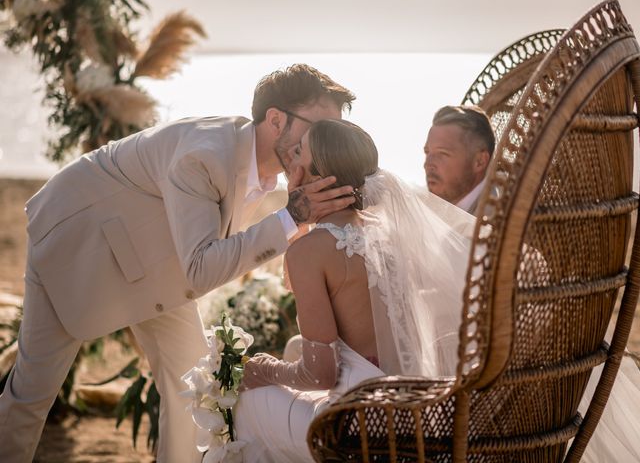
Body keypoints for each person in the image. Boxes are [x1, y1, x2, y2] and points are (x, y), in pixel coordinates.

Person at [0, 64, 357, 463]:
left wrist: (300, 220)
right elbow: (202, 268)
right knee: (32, 391)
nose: (326, 143)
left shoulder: (265, 167)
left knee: (193, 383)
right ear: (276, 120)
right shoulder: (204, 156)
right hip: (75, 242)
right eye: (318, 130)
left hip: (156, 263)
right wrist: (290, 218)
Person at [233, 119, 473, 462]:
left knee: (244, 404)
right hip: (411, 413)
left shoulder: (310, 252)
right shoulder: (390, 232)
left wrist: (263, 368)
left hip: (357, 425)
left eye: (300, 151)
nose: (291, 158)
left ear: (321, 176)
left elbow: (320, 374)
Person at [424, 105, 495, 215]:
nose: (427, 164)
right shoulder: (436, 212)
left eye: (442, 153)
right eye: (427, 152)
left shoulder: (497, 219)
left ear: (479, 162)